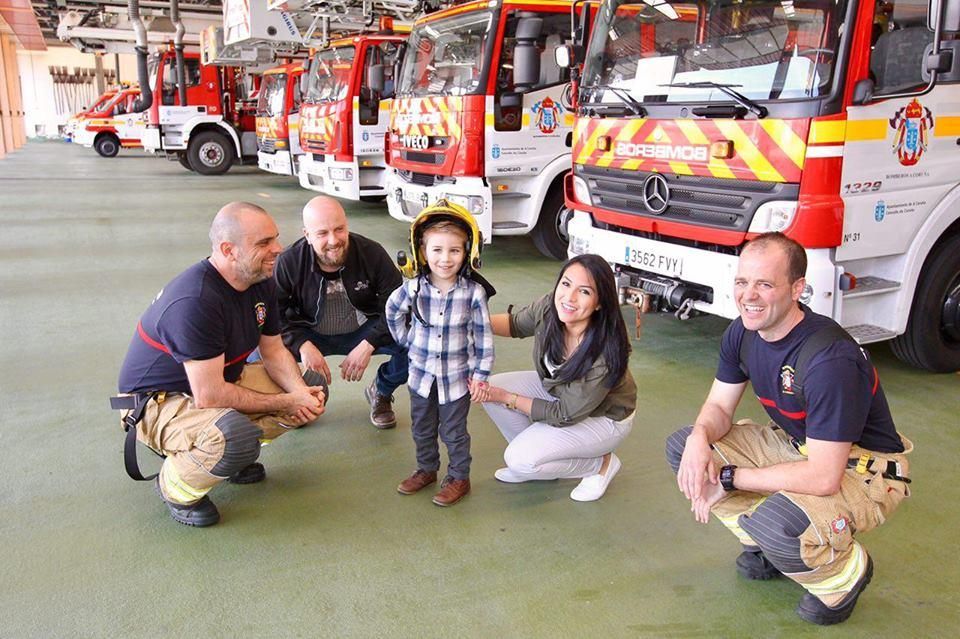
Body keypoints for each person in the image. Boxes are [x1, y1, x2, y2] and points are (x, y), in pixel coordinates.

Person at [665, 232, 912, 625]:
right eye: (742, 282)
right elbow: (717, 407)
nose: (749, 296)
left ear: (798, 288)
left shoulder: (829, 361)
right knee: (686, 449)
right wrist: (699, 438)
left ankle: (844, 577)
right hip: (799, 446)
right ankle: (766, 544)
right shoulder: (743, 331)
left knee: (777, 522)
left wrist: (728, 478)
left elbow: (823, 475)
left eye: (765, 284)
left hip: (861, 468)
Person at [115, 202, 327, 527]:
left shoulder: (259, 279)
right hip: (155, 403)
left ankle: (228, 455)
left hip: (212, 384)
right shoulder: (196, 301)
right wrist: (288, 401)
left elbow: (272, 350)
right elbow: (210, 396)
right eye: (263, 243)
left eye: (276, 238)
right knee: (234, 435)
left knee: (312, 387)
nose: (278, 249)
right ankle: (176, 485)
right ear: (229, 250)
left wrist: (300, 393)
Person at [482, 253, 637, 502]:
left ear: (599, 302)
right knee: (492, 389)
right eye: (566, 284)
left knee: (518, 456)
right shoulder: (550, 307)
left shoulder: (605, 352)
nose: (569, 298)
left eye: (584, 292)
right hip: (560, 391)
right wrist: (472, 322)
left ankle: (600, 465)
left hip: (604, 417)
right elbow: (515, 324)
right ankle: (539, 464)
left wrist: (507, 398)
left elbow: (564, 414)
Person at [386, 201, 495, 507]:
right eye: (437, 250)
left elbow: (483, 338)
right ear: (422, 251)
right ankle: (426, 469)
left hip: (456, 380)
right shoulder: (413, 288)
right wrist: (406, 340)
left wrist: (480, 376)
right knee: (421, 426)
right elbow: (392, 311)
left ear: (469, 252)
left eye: (454, 251)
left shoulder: (473, 293)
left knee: (454, 431)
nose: (445, 259)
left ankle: (459, 477)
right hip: (420, 377)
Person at [274, 196, 407, 429]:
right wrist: (301, 344)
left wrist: (369, 343)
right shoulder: (288, 262)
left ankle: (381, 391)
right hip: (310, 333)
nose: (333, 240)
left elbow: (398, 306)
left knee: (421, 344)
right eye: (322, 233)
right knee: (259, 356)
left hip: (361, 331)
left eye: (339, 229)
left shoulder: (372, 253)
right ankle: (297, 401)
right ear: (307, 235)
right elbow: (273, 316)